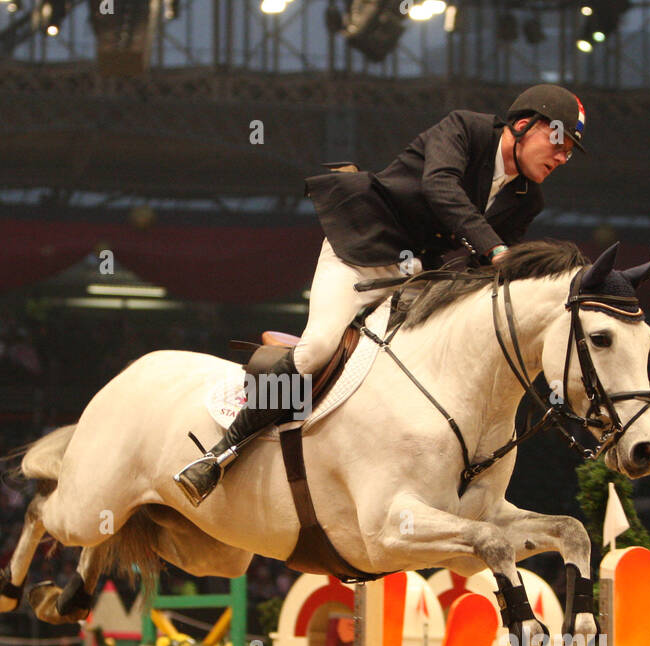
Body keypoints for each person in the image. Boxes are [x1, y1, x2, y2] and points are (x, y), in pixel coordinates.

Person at [174, 84, 587, 506]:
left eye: (570, 151)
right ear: (521, 125)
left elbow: (481, 271)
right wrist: (495, 248)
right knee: (317, 349)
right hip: (361, 252)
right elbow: (440, 187)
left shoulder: (527, 199)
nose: (562, 157)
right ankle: (222, 451)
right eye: (559, 141)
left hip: (417, 281)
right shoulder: (465, 128)